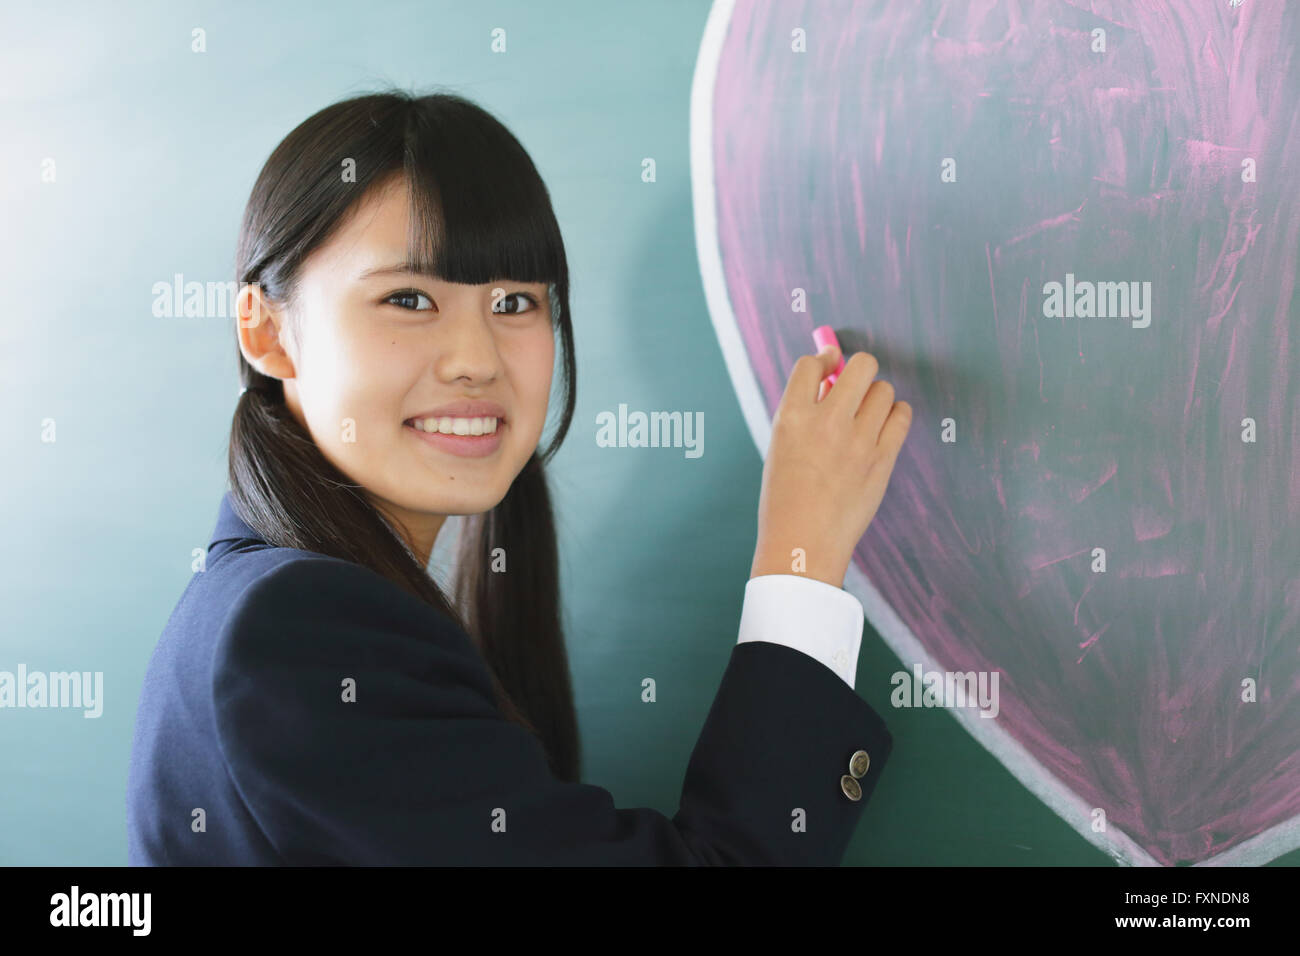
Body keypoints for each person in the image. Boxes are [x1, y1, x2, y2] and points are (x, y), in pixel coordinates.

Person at [126, 89, 913, 865]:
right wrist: (801, 552)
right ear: (266, 333)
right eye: (408, 298)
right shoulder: (298, 630)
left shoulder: (275, 596)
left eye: (513, 301)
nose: (475, 359)